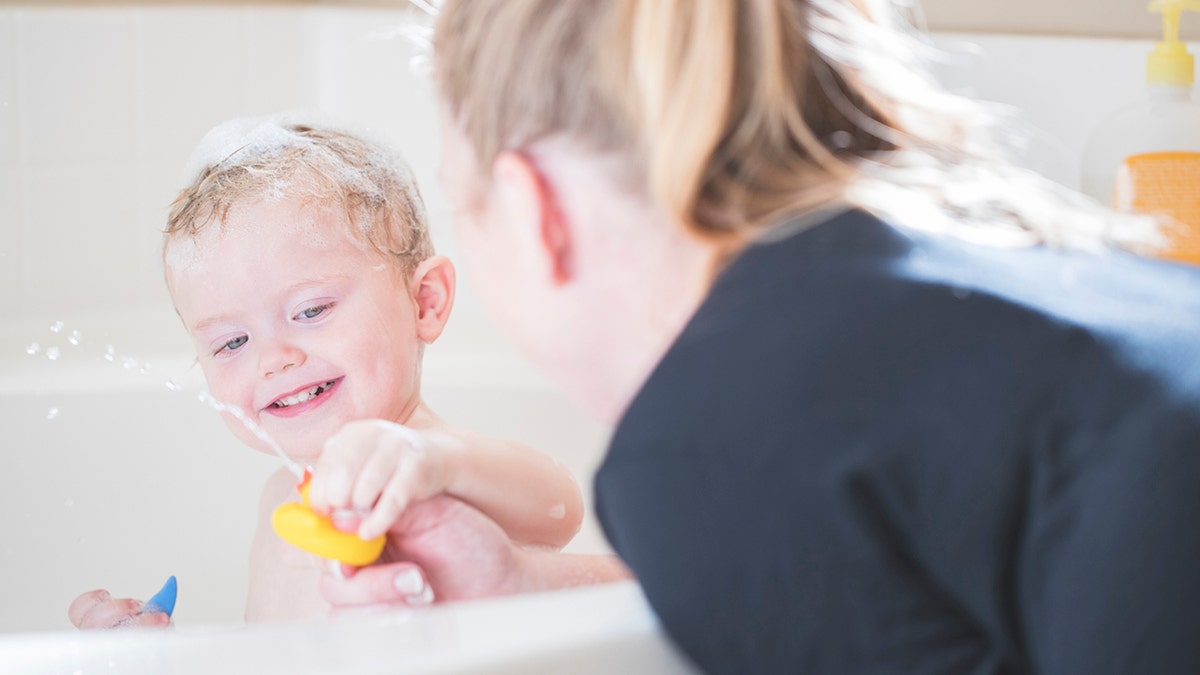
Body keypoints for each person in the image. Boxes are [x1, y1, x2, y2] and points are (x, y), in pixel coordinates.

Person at [320, 0, 1200, 672]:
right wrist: (517, 589)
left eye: (459, 198)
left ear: (531, 208)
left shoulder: (705, 438)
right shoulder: (967, 285)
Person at [66, 116, 585, 629]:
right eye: (232, 342)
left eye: (311, 311)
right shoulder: (278, 496)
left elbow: (560, 506)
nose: (275, 359)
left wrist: (436, 462)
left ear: (424, 302)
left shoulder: (429, 466)